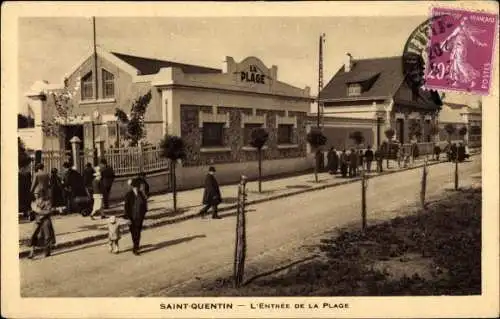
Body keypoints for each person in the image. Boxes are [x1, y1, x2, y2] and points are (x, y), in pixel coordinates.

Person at [28, 192, 56, 259]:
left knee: (47, 236)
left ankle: (47, 251)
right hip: (37, 221)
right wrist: (32, 212)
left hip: (46, 220)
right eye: (35, 193)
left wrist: (38, 211)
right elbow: (33, 212)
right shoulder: (34, 202)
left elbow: (48, 211)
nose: (36, 195)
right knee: (34, 236)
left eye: (37, 193)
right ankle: (32, 252)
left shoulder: (47, 202)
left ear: (41, 194)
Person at [124, 178, 148, 255]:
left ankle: (136, 247)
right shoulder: (128, 195)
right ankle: (135, 245)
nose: (137, 188)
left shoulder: (141, 194)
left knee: (138, 232)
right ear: (133, 187)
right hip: (131, 217)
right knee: (133, 232)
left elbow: (144, 204)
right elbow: (126, 207)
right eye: (136, 187)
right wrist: (127, 217)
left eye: (138, 187)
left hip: (139, 217)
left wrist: (144, 213)